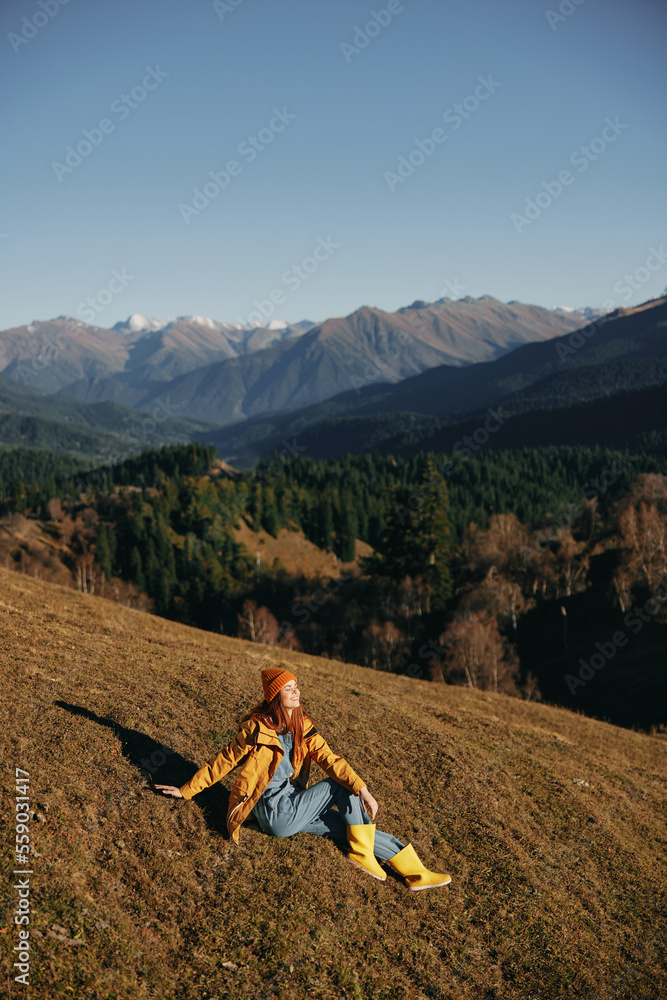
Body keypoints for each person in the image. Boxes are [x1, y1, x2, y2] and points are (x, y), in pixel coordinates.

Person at [156, 666, 452, 890]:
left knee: (347, 825)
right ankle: (362, 856)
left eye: (296, 686)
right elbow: (223, 762)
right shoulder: (256, 729)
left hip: (294, 804)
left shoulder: (302, 727)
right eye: (288, 689)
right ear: (275, 697)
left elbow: (330, 758)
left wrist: (362, 788)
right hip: (274, 812)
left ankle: (415, 872)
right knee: (340, 785)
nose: (296, 692)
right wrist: (187, 790)